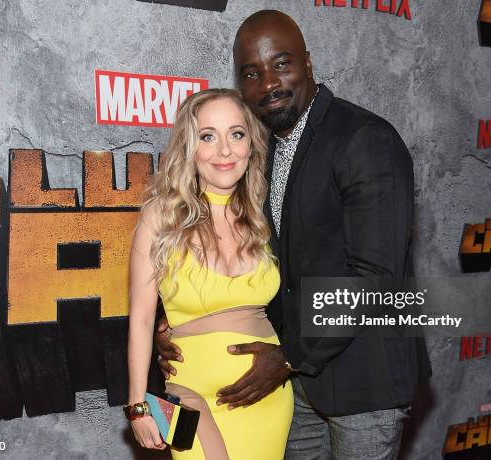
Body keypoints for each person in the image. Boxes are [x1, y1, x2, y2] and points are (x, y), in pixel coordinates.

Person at [156, 10, 432, 460]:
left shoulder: (364, 139)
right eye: (252, 72)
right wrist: (185, 327)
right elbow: (255, 265)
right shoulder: (256, 154)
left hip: (363, 383)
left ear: (308, 62)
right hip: (295, 385)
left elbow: (375, 279)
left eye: (281, 64)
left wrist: (287, 357)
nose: (268, 83)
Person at [126, 88, 293, 459]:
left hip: (267, 400)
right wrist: (137, 405)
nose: (224, 150)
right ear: (190, 147)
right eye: (208, 136)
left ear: (251, 146)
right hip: (190, 399)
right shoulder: (161, 216)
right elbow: (140, 318)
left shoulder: (266, 217)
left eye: (236, 134)